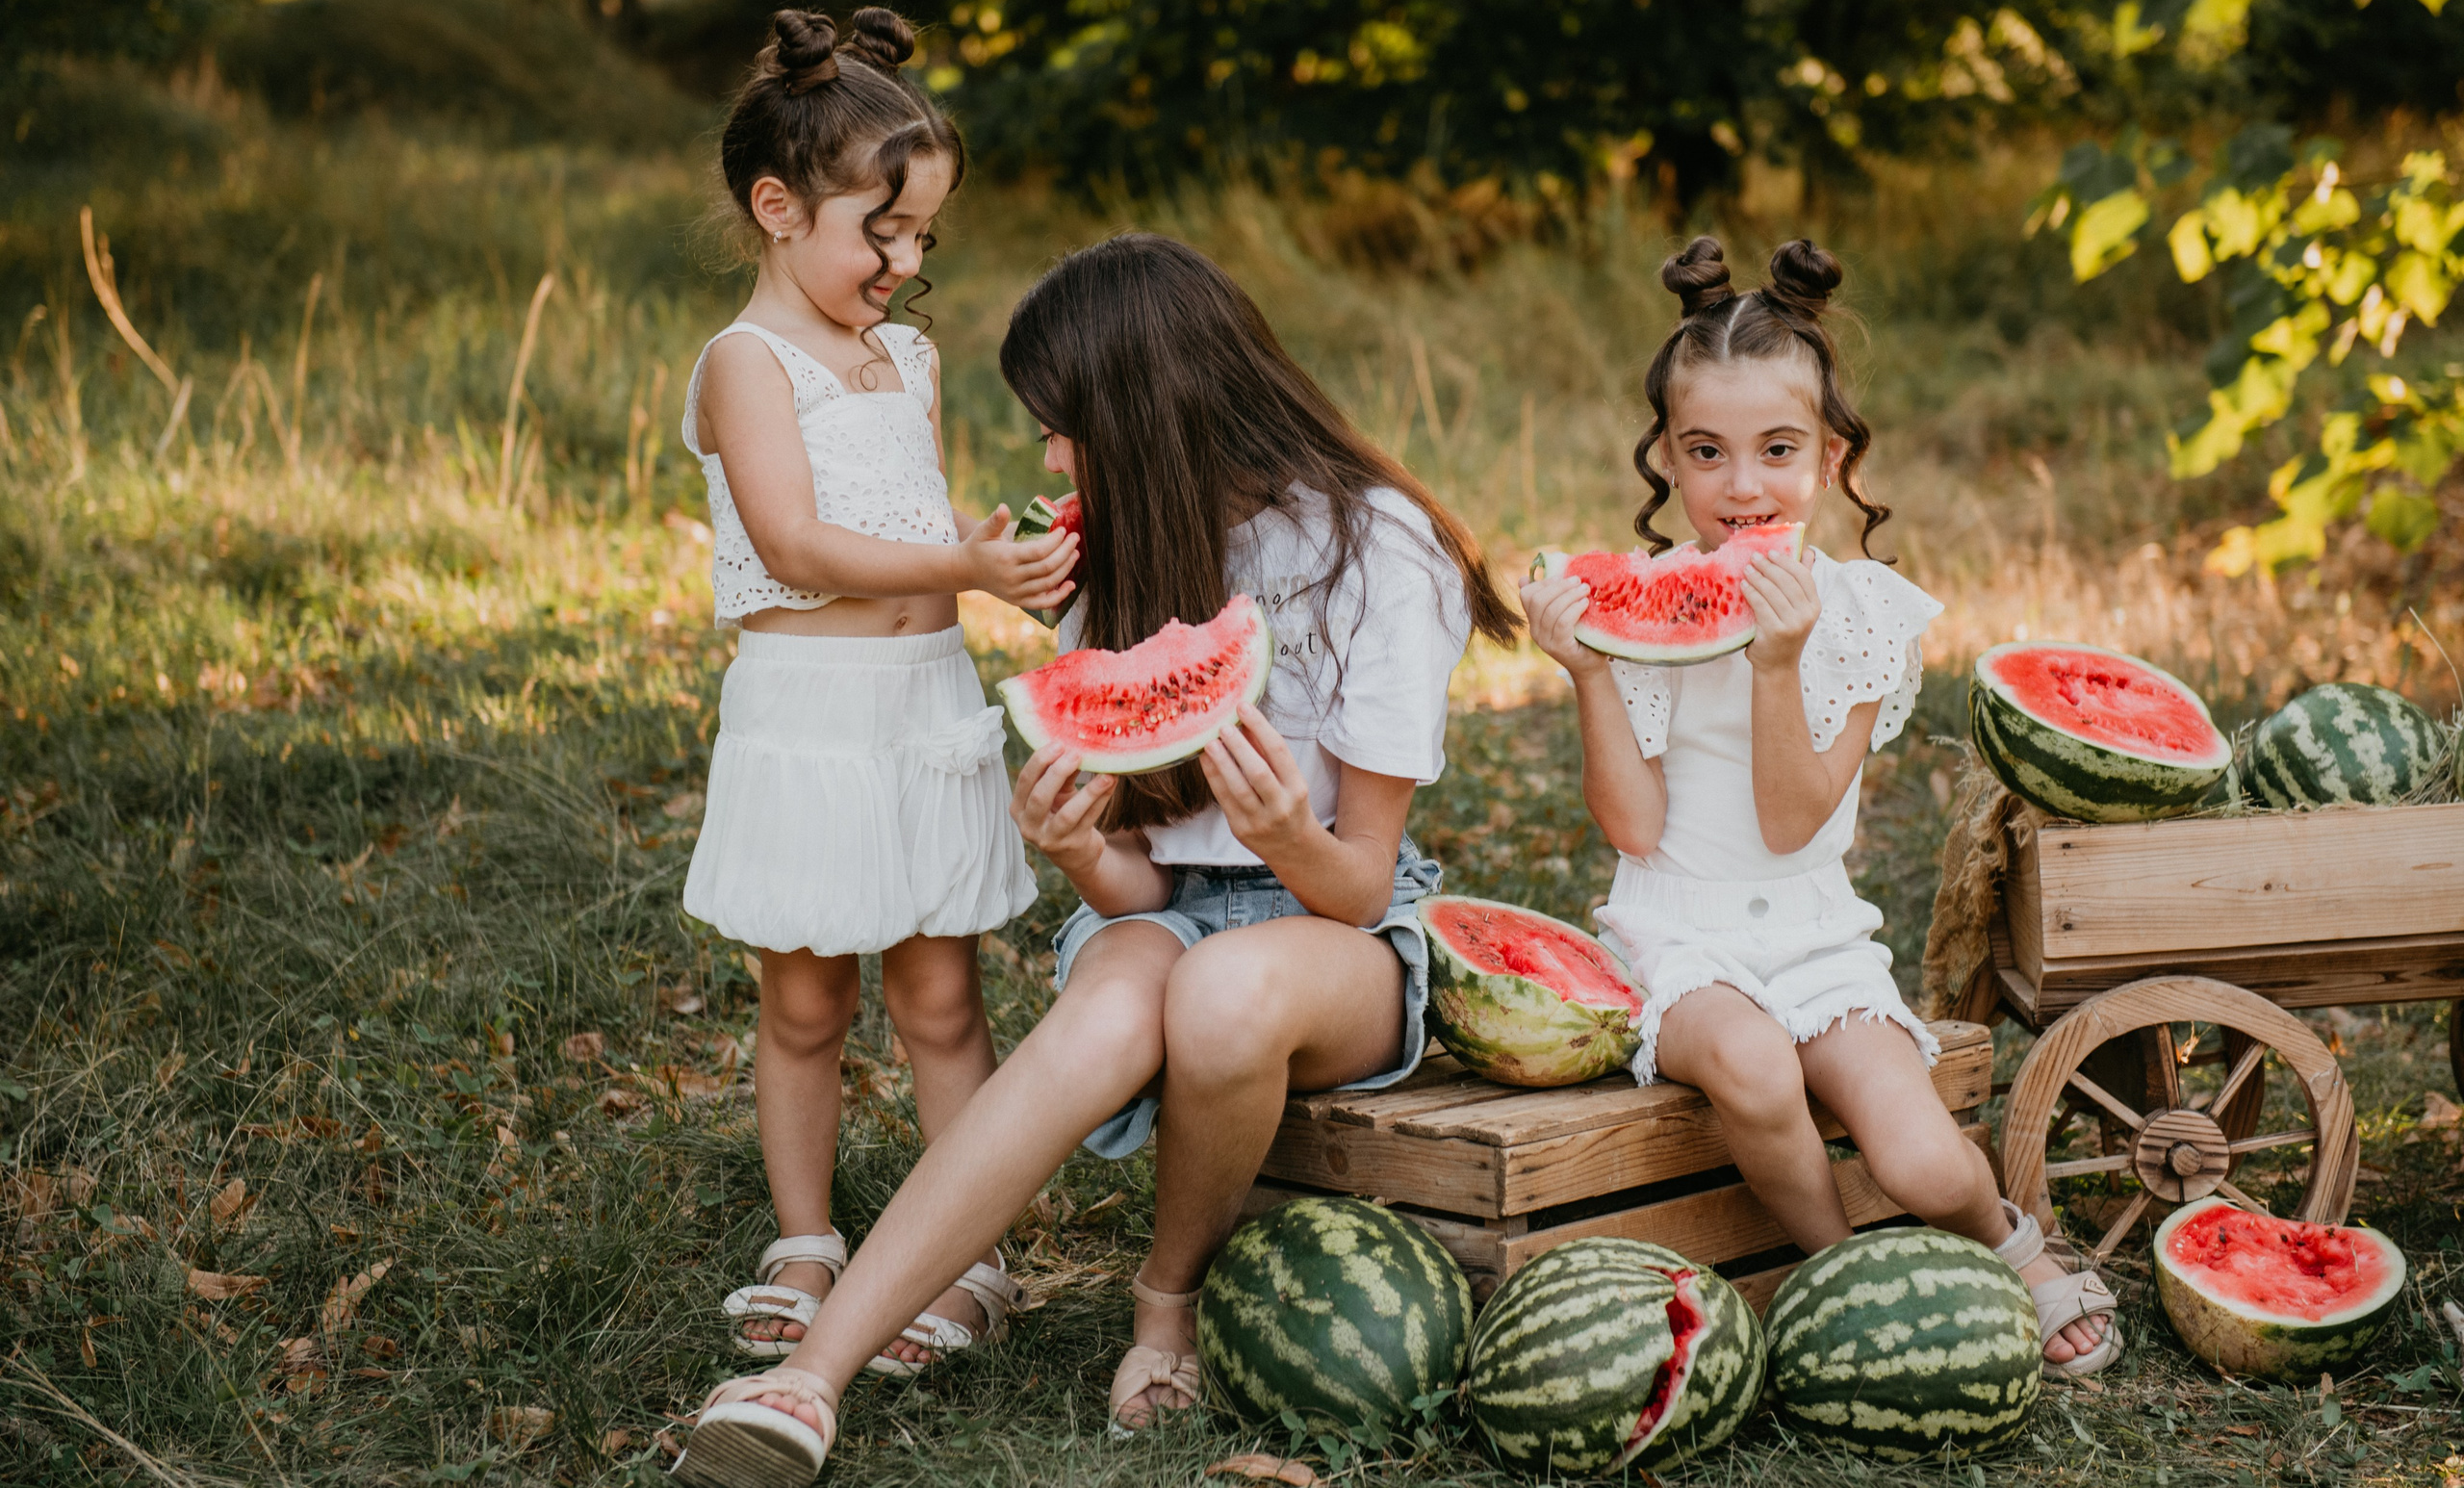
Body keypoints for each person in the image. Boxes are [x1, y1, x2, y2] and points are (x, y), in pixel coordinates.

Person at [669, 233, 1519, 1488]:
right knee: (1111, 1005)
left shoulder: (1378, 548)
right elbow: (1143, 885)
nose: (1052, 459)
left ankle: (1165, 1300)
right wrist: (1078, 848)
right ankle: (809, 1380)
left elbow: (1354, 876)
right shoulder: (1118, 550)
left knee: (1222, 991)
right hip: (1171, 918)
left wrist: (1284, 831)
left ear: (1148, 410)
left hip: (1344, 933)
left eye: (1065, 427)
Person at [1520, 235, 2118, 1381]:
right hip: (1676, 932)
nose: (1742, 487)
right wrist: (1594, 669)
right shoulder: (1633, 614)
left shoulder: (1859, 618)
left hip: (1814, 930)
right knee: (1746, 1065)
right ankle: (1844, 1280)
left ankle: (2009, 1245)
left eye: (1776, 450)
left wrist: (1777, 662)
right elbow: (1633, 829)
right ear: (1667, 458)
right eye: (1706, 453)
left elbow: (1794, 821)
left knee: (1920, 1153)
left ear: (1831, 455)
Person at [676, 6, 1079, 1395]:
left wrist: (1002, 559)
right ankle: (805, 1239)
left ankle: (967, 1253)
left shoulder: (905, 357)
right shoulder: (744, 363)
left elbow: (916, 513)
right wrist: (962, 560)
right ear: (778, 208)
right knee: (802, 1004)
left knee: (943, 999)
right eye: (880, 234)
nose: (903, 267)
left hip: (921, 702)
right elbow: (794, 546)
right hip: (810, 712)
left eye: (923, 241)